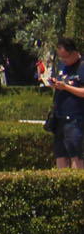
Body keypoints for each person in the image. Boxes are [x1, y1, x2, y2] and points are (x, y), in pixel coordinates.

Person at [44, 37, 84, 169]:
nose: (63, 61)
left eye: (65, 57)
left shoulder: (81, 66)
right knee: (60, 154)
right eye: (61, 58)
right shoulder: (62, 66)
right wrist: (56, 84)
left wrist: (66, 87)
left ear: (73, 52)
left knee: (76, 156)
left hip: (75, 119)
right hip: (59, 117)